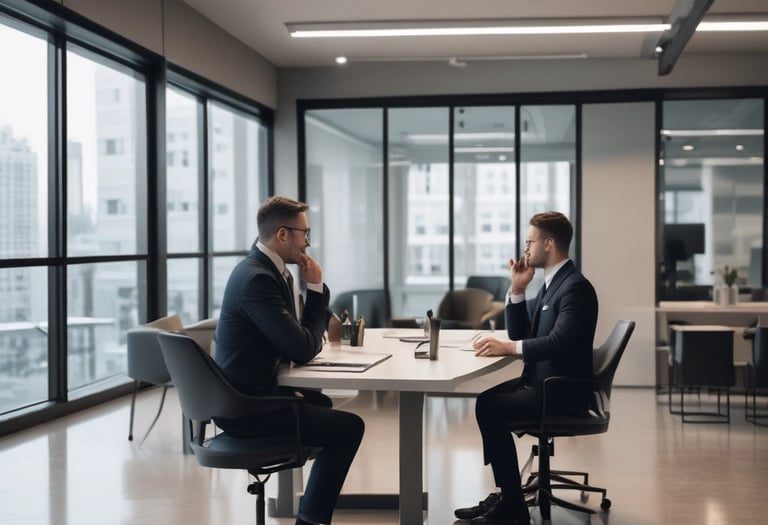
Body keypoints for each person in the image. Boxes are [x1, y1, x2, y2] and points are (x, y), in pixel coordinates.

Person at [214, 195, 364, 525]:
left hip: (251, 393)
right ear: (282, 235)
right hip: (246, 407)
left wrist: (309, 305)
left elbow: (297, 337)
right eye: (304, 232)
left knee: (321, 403)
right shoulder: (259, 280)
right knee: (350, 427)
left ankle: (310, 512)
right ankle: (310, 521)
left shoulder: (267, 271)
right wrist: (316, 289)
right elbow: (302, 347)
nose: (308, 241)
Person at [455, 211, 598, 525]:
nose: (525, 250)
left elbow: (557, 342)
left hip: (560, 392)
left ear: (548, 244)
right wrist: (517, 290)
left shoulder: (575, 288)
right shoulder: (551, 285)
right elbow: (521, 333)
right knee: (486, 401)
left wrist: (508, 349)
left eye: (530, 242)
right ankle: (509, 496)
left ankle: (512, 507)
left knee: (489, 406)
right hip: (540, 382)